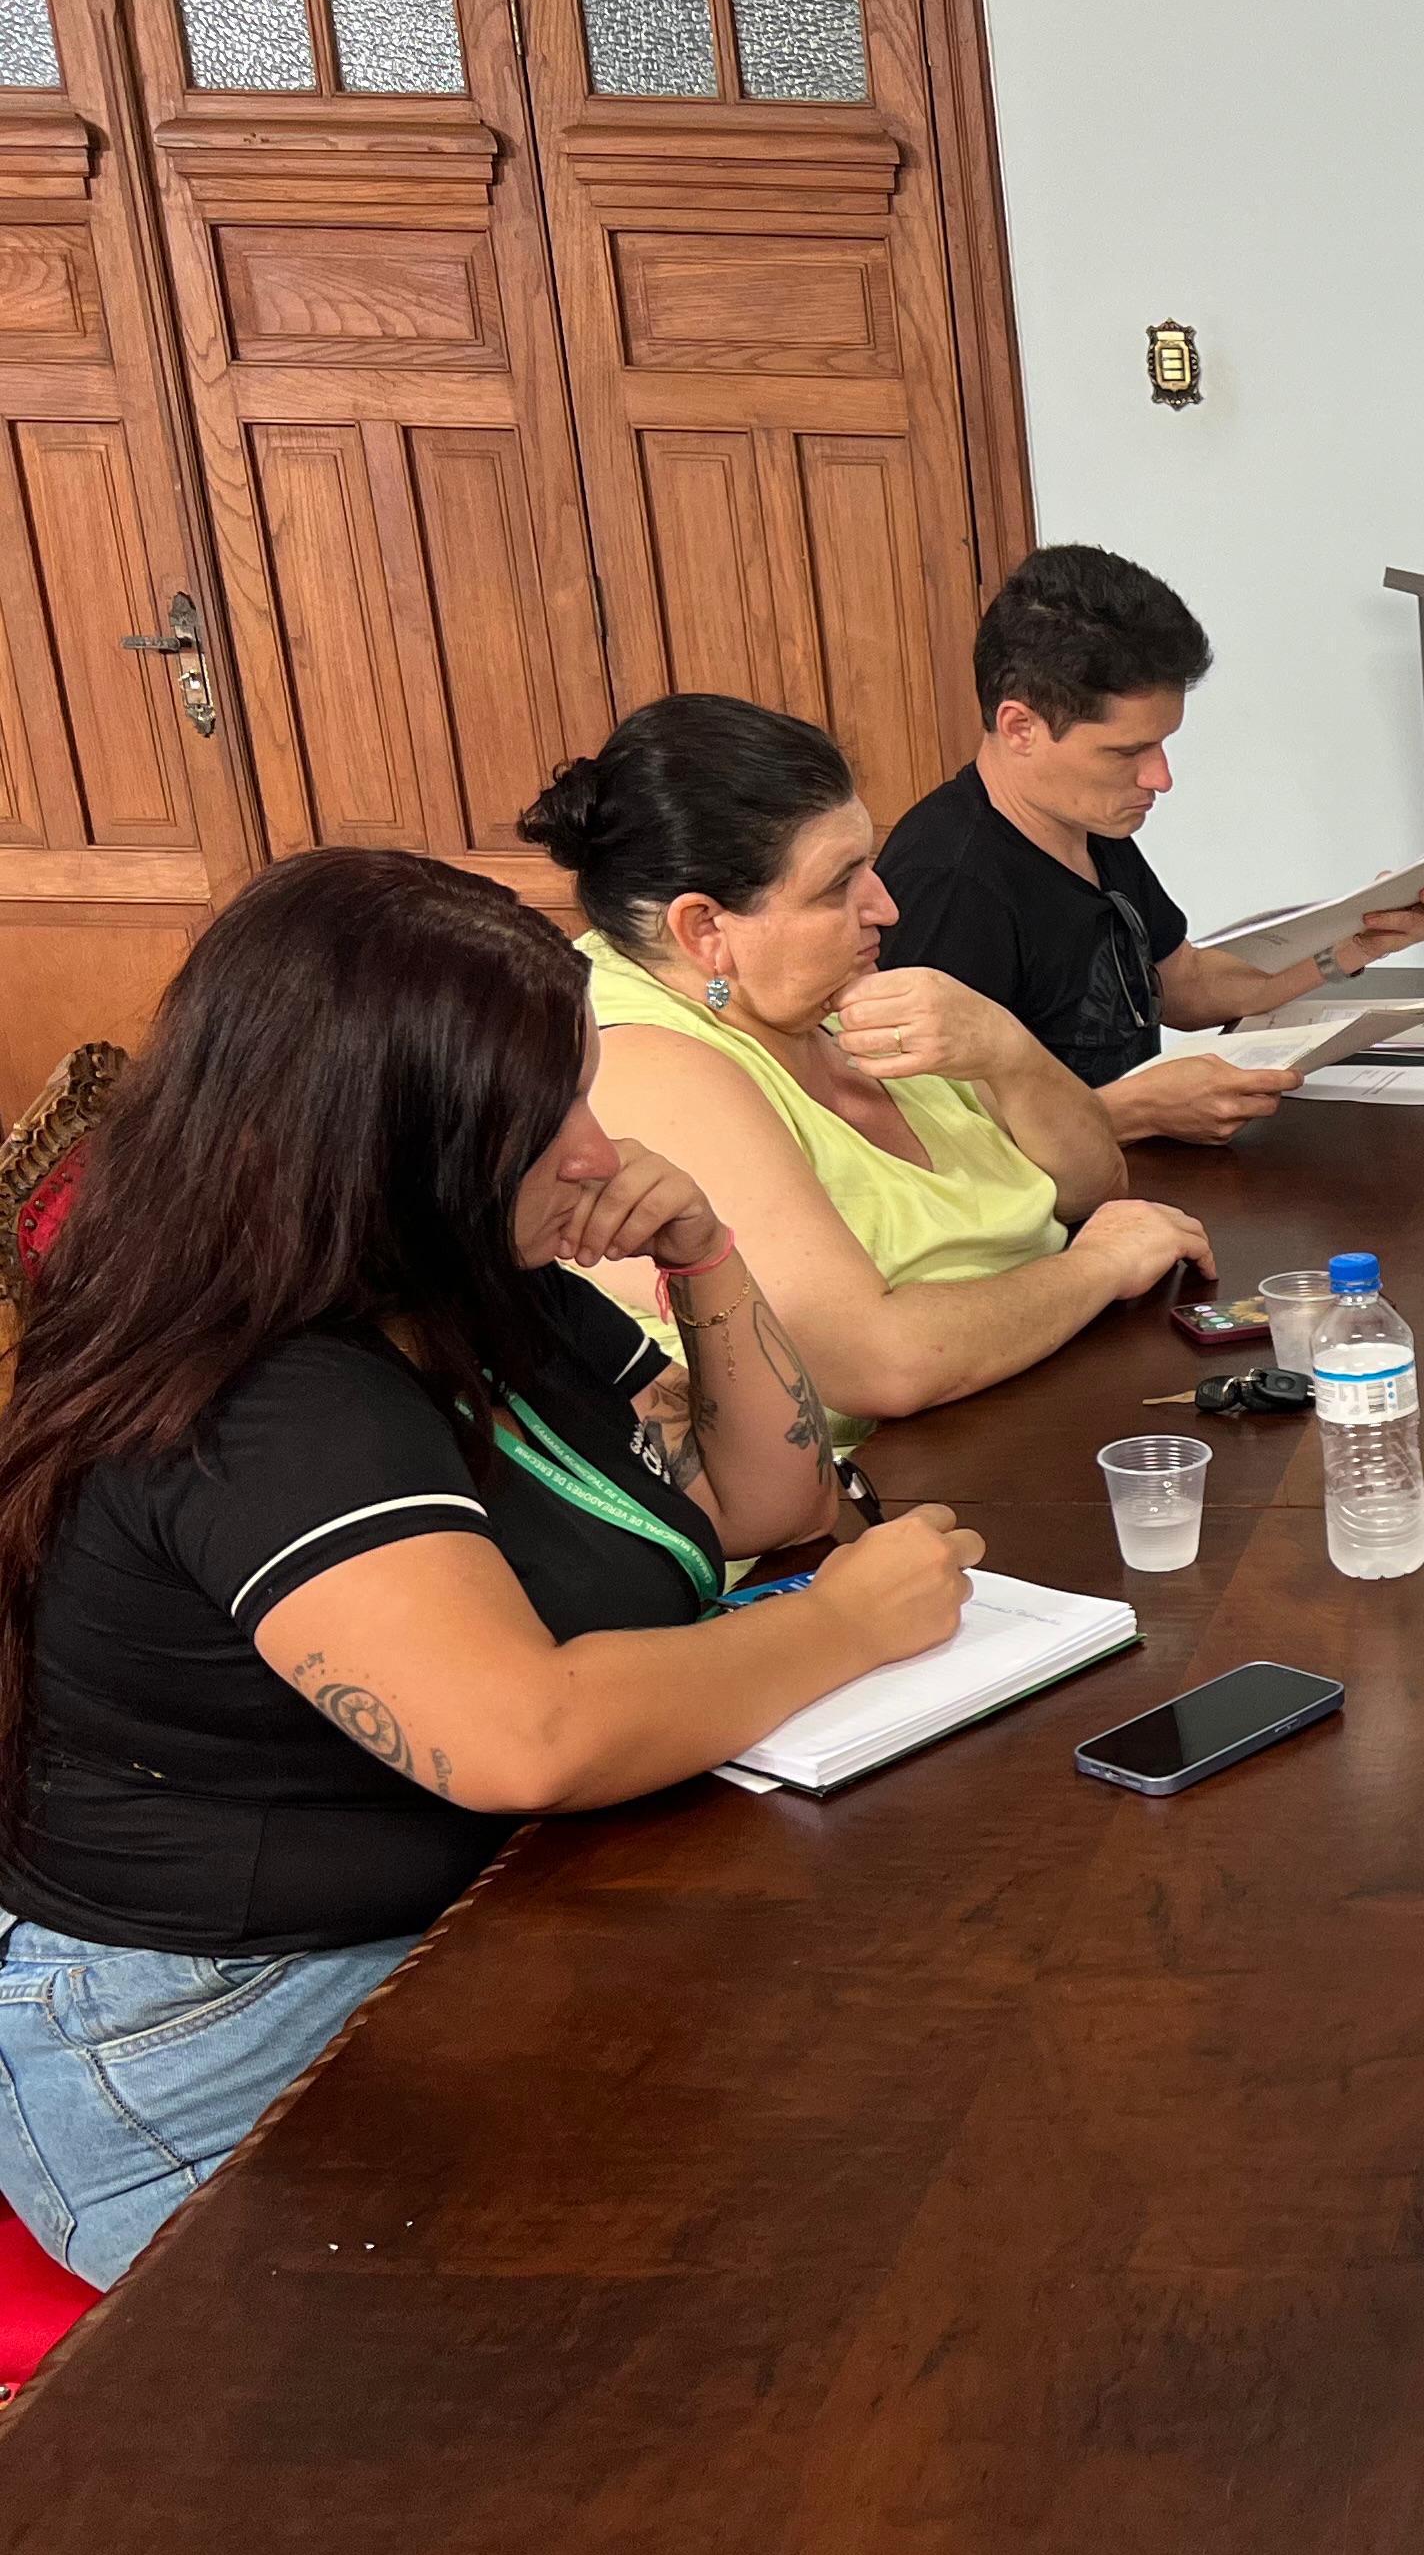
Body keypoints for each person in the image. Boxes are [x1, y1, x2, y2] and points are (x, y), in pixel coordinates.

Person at [0, 851, 985, 2286]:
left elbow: (767, 1502)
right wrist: (841, 1626)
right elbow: (525, 1735)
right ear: (385, 1147)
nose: (595, 1151)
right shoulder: (263, 1396)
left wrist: (706, 1251)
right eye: (543, 1120)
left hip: (467, 1918)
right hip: (217, 2027)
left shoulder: (466, 1274)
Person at [529, 695, 1211, 1446]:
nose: (885, 908)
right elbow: (877, 1363)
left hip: (1027, 1405)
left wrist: (1008, 1051)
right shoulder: (644, 1064)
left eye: (870, 865)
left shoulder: (817, 992)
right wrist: (1098, 1268)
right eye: (838, 885)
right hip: (882, 1485)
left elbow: (1093, 1186)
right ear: (705, 929)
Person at [877, 543, 1424, 1143]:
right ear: (1021, 727)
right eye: (1126, 752)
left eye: (1162, 743)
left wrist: (1354, 942)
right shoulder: (949, 884)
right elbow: (927, 1134)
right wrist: (1137, 1111)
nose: (1160, 777)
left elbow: (1183, 985)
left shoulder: (1087, 825)